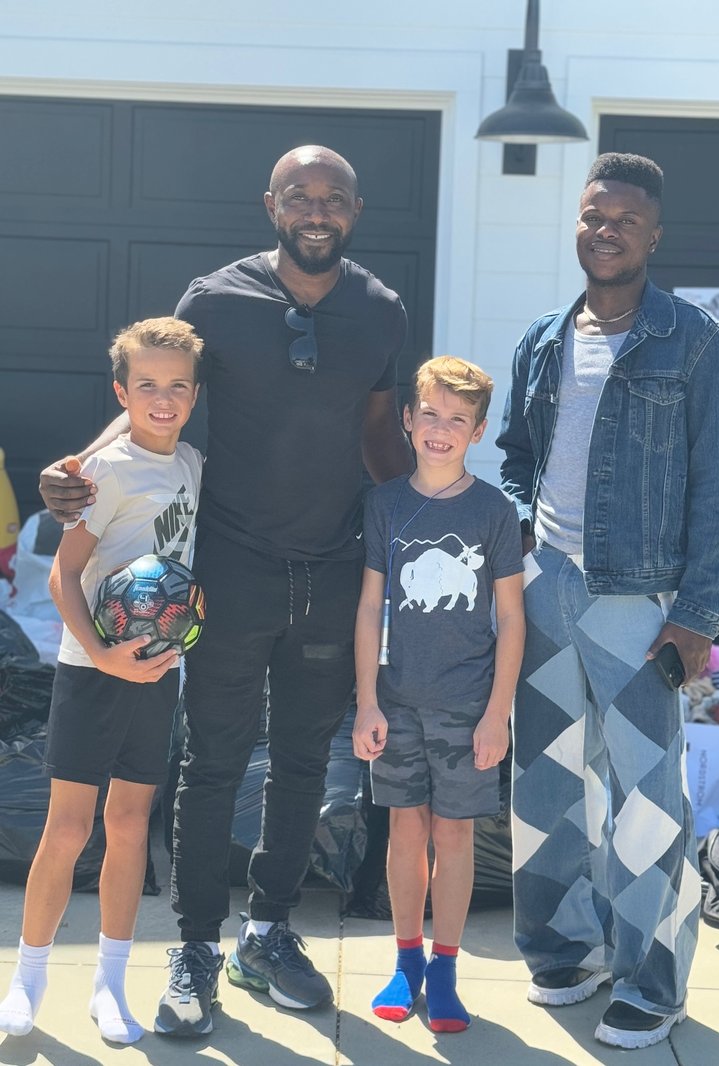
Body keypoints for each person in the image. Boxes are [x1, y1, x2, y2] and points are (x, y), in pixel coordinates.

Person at [38, 145, 412, 1037]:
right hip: (227, 572)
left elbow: (381, 437)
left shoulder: (382, 311)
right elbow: (153, 394)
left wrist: (439, 515)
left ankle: (269, 932)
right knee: (210, 761)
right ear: (271, 205)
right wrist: (81, 472)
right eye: (299, 196)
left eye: (333, 198)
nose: (316, 211)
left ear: (355, 211)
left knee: (303, 766)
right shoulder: (214, 299)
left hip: (329, 569)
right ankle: (196, 946)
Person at [496, 153, 719, 1050]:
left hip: (641, 599)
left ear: (654, 235)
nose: (606, 231)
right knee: (549, 784)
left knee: (646, 798)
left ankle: (653, 978)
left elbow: (718, 485)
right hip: (547, 589)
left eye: (625, 220)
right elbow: (519, 453)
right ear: (578, 221)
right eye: (594, 214)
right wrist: (522, 530)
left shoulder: (692, 340)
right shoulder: (543, 336)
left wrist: (696, 616)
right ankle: (564, 949)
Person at [0, 319, 203, 1044]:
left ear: (194, 394)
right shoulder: (104, 472)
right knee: (68, 829)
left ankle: (110, 986)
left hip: (156, 675)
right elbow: (60, 575)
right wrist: (102, 652)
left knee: (127, 827)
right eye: (146, 386)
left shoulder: (190, 466)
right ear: (122, 392)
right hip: (92, 673)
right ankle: (27, 979)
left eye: (177, 386)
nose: (162, 398)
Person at [353, 356, 525, 1032]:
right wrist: (367, 700)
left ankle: (446, 968)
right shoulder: (385, 503)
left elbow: (511, 617)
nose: (440, 429)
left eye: (458, 419)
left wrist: (497, 715)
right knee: (405, 830)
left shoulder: (494, 510)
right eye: (430, 413)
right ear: (407, 418)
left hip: (467, 705)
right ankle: (405, 961)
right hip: (395, 701)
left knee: (454, 835)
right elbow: (370, 607)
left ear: (477, 432)